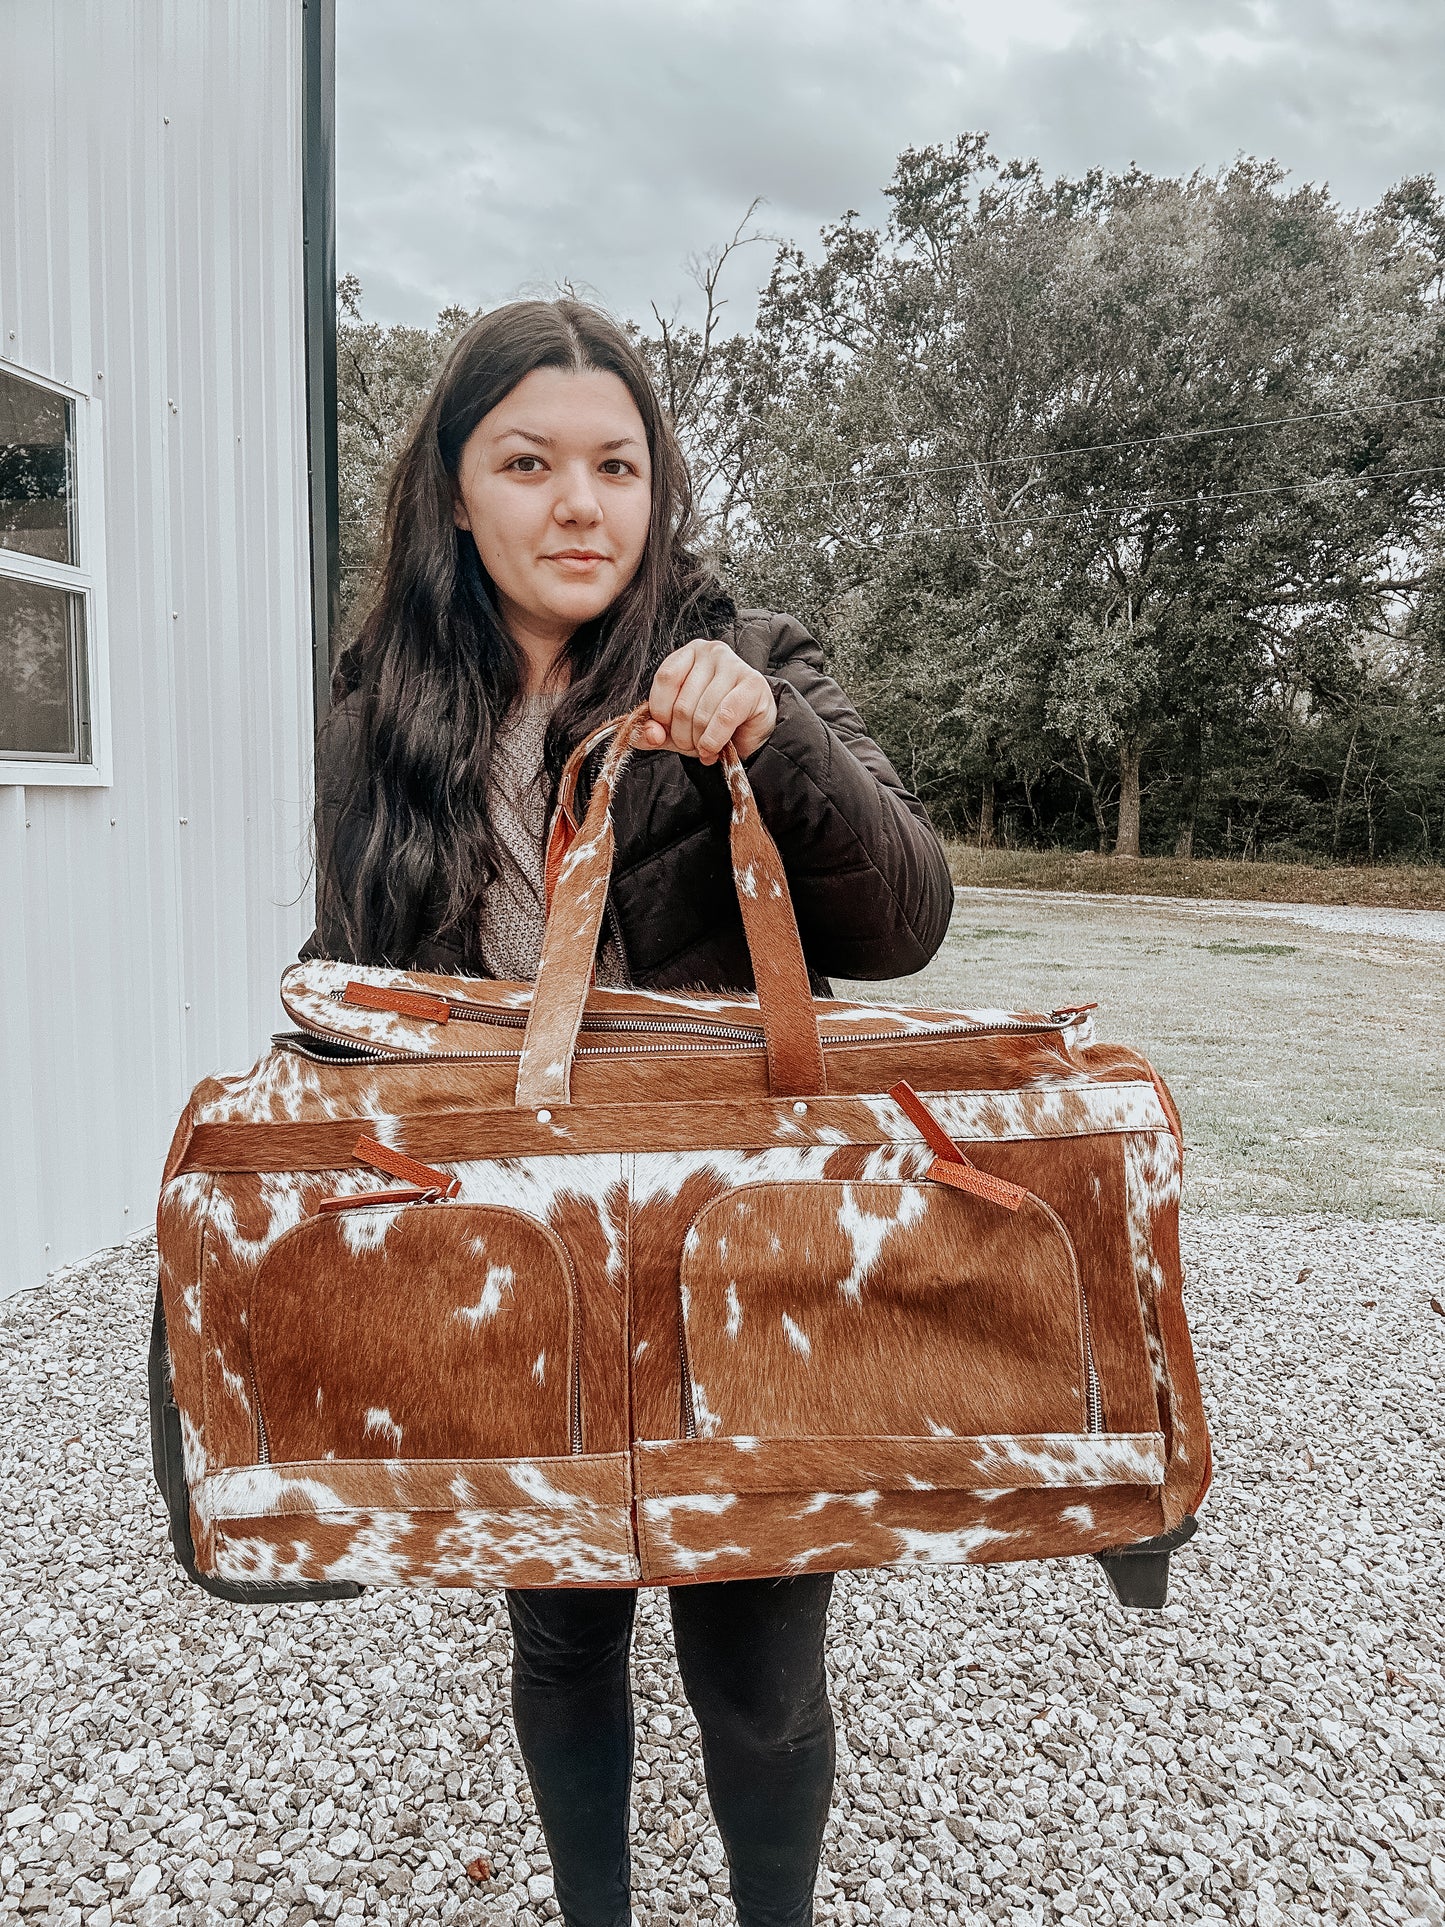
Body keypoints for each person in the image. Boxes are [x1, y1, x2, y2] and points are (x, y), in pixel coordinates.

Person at [302, 298, 953, 1927]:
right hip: (513, 1247)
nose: (577, 505)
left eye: (615, 464)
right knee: (563, 1625)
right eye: (525, 463)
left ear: (656, 485)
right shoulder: (384, 698)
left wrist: (775, 737)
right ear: (457, 491)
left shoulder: (745, 652)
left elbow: (904, 923)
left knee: (754, 1661)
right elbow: (360, 969)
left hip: (741, 1250)